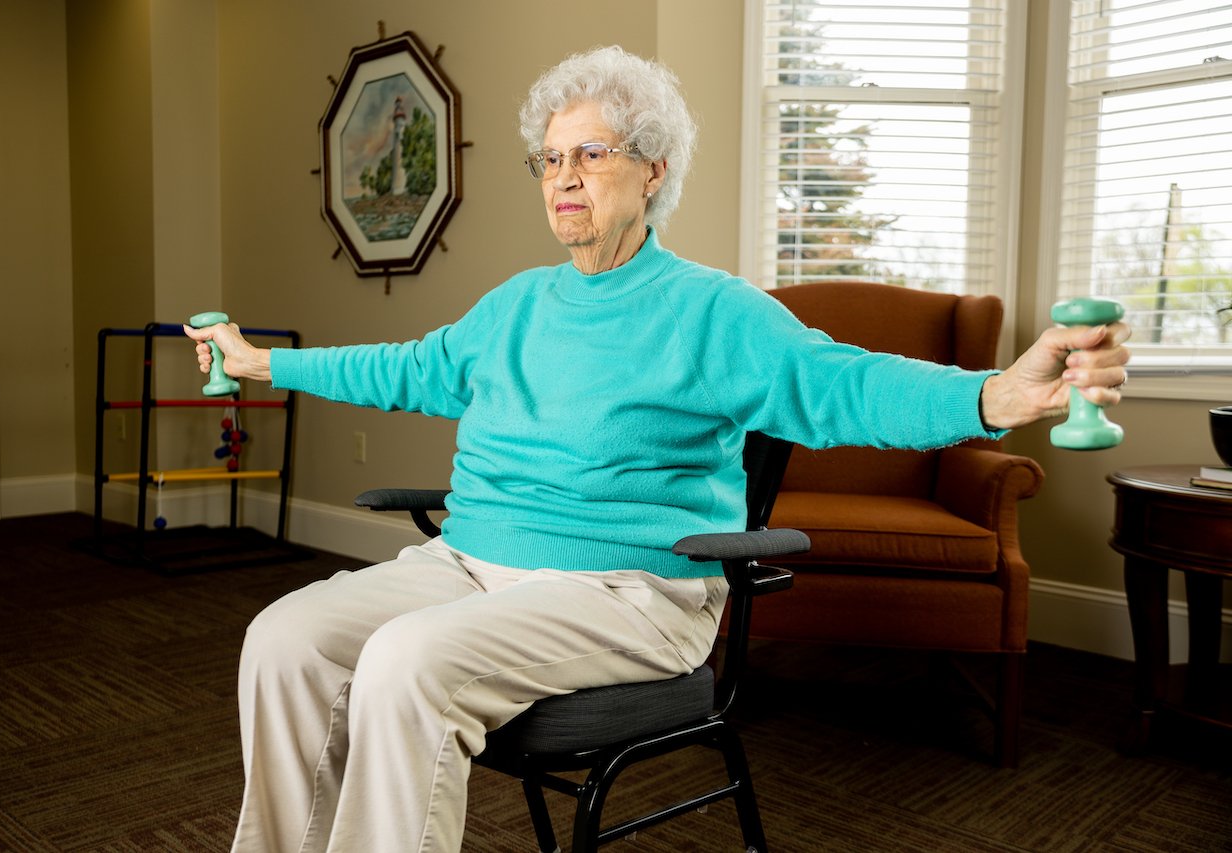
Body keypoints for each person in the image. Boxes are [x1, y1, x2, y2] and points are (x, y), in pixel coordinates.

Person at [186, 45, 1129, 853]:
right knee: (284, 638)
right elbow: (405, 368)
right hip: (467, 562)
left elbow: (842, 384)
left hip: (629, 592)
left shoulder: (711, 310)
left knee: (402, 662)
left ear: (654, 168)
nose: (562, 176)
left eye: (590, 153)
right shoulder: (516, 304)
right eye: (549, 158)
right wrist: (262, 362)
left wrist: (997, 393)